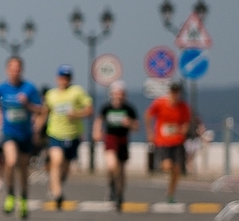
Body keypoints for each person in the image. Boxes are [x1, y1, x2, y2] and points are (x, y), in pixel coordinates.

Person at [0, 55, 43, 219]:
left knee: (23, 169)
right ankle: (10, 195)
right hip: (9, 132)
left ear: (22, 70)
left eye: (17, 69)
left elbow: (41, 109)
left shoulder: (29, 88)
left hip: (25, 134)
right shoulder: (1, 89)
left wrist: (27, 104)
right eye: (12, 69)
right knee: (11, 161)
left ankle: (24, 198)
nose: (15, 72)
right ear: (7, 70)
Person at [42, 64, 93, 207]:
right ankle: (57, 193)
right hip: (55, 134)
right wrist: (36, 127)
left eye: (67, 77)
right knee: (56, 161)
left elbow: (89, 110)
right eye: (62, 77)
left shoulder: (77, 92)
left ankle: (56, 184)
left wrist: (77, 114)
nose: (64, 79)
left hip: (72, 135)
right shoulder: (51, 94)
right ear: (57, 78)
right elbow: (45, 112)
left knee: (65, 167)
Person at [146, 79, 195, 204]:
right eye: (173, 91)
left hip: (177, 141)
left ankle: (171, 194)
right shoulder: (160, 103)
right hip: (163, 141)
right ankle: (162, 168)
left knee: (177, 170)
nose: (175, 94)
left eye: (177, 92)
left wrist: (184, 129)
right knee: (167, 165)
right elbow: (148, 115)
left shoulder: (184, 107)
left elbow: (186, 122)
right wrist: (150, 133)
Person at [97, 80, 138, 208]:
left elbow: (136, 127)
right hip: (110, 138)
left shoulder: (129, 109)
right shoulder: (107, 107)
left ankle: (119, 194)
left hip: (123, 140)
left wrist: (130, 123)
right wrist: (97, 132)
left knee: (121, 169)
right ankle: (112, 184)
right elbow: (99, 120)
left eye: (121, 93)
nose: (119, 96)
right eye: (116, 93)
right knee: (112, 165)